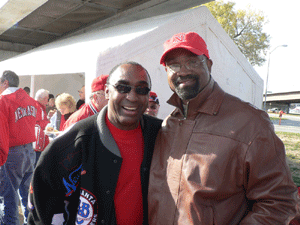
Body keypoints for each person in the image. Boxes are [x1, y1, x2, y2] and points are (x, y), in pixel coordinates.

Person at [148, 32, 299, 224]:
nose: (183, 71)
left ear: (209, 65)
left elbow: (280, 202)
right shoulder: (168, 124)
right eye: (174, 65)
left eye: (193, 61)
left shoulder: (250, 123)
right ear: (166, 71)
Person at [28, 62, 162, 225]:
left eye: (141, 89)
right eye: (122, 88)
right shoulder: (75, 142)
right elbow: (42, 204)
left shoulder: (161, 135)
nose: (132, 97)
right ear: (107, 91)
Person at [0, 70, 37, 224]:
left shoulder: (3, 100)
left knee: (8, 197)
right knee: (26, 195)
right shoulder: (30, 99)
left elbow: (1, 132)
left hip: (12, 153)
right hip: (29, 151)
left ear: (5, 83)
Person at [33, 89, 50, 166]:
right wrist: (48, 123)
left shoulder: (37, 106)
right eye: (47, 99)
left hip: (37, 144)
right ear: (43, 99)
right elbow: (36, 123)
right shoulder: (38, 107)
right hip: (38, 145)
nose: (47, 101)